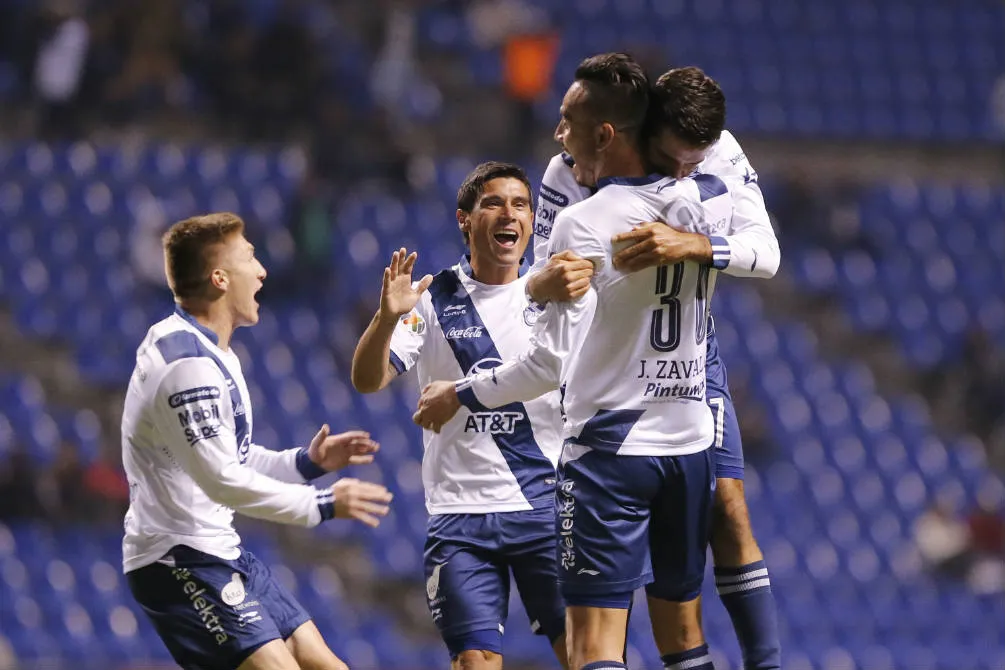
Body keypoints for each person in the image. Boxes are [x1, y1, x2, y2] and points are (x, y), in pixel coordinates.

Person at [414, 53, 729, 670]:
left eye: (567, 122)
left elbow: (547, 366)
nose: (558, 136)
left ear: (605, 134)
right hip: (689, 443)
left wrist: (463, 393)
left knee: (593, 648)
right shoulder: (700, 207)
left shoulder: (582, 224)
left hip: (611, 450)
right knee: (685, 633)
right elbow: (759, 254)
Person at [526, 66, 782, 670]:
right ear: (638, 136)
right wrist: (543, 282)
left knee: (729, 509)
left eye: (694, 162)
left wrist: (697, 245)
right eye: (673, 160)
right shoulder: (566, 180)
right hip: (618, 385)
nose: (684, 175)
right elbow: (539, 285)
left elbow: (765, 251)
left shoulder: (711, 167)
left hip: (683, 380)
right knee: (671, 609)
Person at [121, 212, 393, 670]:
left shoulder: (211, 351)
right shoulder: (187, 367)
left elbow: (233, 460)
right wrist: (323, 504)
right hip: (178, 560)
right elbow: (223, 481)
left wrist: (306, 463)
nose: (263, 270)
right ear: (220, 278)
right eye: (250, 257)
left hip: (220, 550)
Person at [350, 163, 568, 670]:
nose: (508, 213)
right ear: (465, 220)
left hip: (545, 507)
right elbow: (367, 379)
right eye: (493, 203)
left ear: (533, 221)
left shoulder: (549, 292)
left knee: (583, 651)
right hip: (461, 515)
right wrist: (386, 319)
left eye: (520, 204)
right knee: (474, 660)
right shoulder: (431, 298)